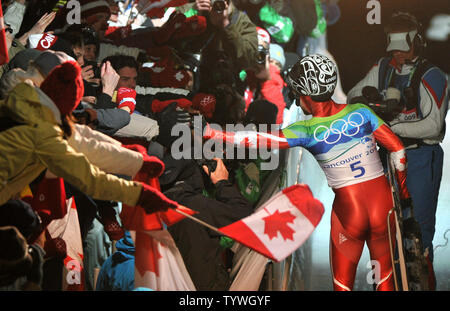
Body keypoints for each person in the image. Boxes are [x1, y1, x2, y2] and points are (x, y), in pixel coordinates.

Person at [202, 54, 413, 291]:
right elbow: (398, 151)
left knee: (343, 286)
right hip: (383, 207)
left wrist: (214, 134)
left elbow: (256, 139)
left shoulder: (306, 129)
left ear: (306, 92)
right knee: (385, 278)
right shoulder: (361, 112)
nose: (295, 98)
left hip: (348, 213)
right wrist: (403, 195)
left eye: (296, 92)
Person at [0, 59, 178, 221]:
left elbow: (87, 141)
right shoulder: (43, 132)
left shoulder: (26, 104)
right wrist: (140, 195)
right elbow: (89, 178)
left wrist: (136, 161)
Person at [346, 12, 449, 286]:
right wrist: (372, 106)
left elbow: (434, 126)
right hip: (386, 157)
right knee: (385, 229)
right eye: (394, 49)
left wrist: (391, 128)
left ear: (416, 43)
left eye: (404, 49)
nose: (399, 55)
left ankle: (420, 282)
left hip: (419, 156)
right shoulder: (383, 68)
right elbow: (352, 98)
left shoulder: (433, 76)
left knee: (418, 232)